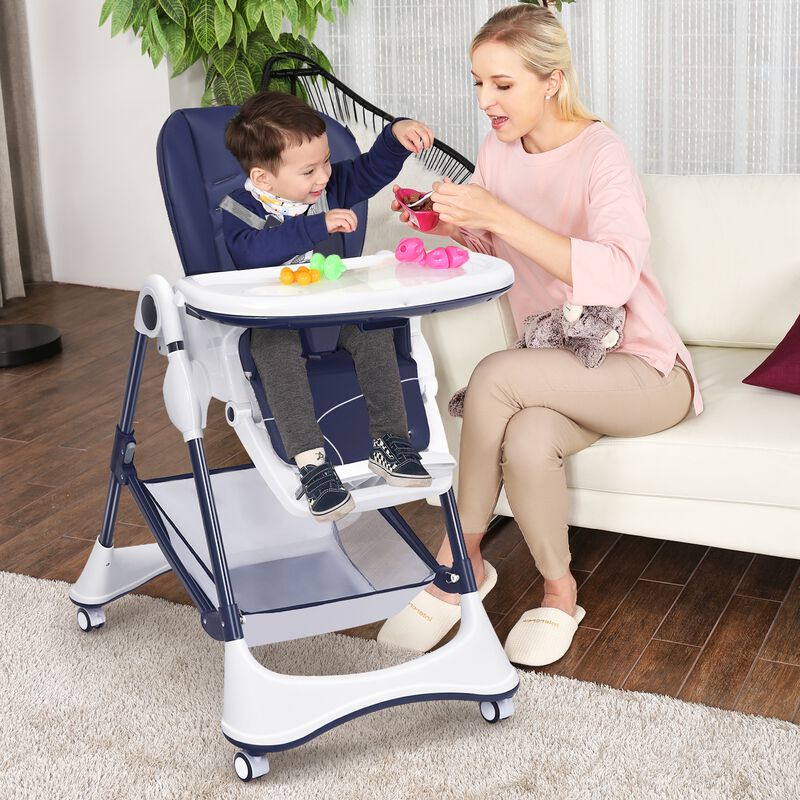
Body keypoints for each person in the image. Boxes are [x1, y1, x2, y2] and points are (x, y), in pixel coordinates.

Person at [378, 4, 702, 666]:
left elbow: (612, 275)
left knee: (496, 374)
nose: (485, 102)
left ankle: (457, 560)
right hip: (558, 366)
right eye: (478, 83)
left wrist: (497, 211)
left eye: (503, 85)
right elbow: (494, 243)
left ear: (551, 80)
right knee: (527, 440)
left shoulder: (602, 153)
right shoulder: (501, 151)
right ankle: (560, 592)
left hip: (642, 370)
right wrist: (447, 224)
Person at [223, 91, 436, 522]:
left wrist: (395, 136)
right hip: (275, 319)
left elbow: (370, 170)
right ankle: (312, 464)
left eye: (325, 162)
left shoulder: (330, 184)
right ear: (264, 179)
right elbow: (253, 253)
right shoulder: (240, 210)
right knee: (273, 350)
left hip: (333, 310)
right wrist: (315, 224)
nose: (324, 176)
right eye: (309, 170)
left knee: (375, 327)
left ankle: (389, 442)